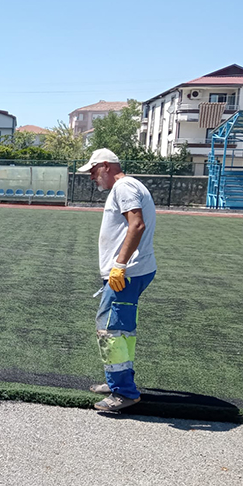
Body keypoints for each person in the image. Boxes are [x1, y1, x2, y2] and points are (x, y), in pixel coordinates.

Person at [78, 148, 157, 412]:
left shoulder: (123, 188)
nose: (92, 177)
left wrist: (119, 266)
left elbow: (136, 225)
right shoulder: (130, 186)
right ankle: (117, 381)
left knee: (111, 330)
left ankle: (124, 392)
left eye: (92, 170)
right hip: (133, 270)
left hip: (128, 272)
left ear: (105, 166)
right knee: (121, 330)